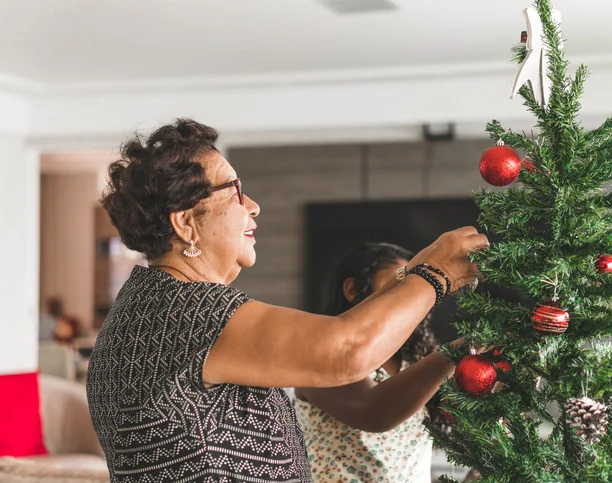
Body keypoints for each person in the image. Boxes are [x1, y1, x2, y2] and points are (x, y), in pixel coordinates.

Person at [85, 119, 489, 483]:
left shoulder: (150, 308)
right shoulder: (186, 314)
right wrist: (436, 273)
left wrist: (415, 274)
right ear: (186, 221)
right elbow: (347, 350)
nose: (253, 206)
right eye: (235, 191)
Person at [295, 242, 467, 482]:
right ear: (353, 290)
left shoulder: (416, 362)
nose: (418, 298)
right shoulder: (318, 353)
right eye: (405, 285)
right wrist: (460, 349)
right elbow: (373, 411)